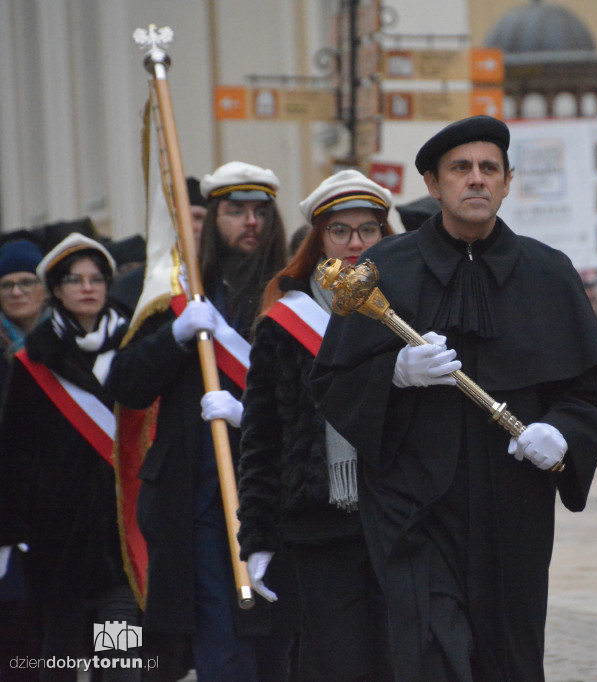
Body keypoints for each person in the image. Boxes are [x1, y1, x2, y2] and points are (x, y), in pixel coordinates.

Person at [309, 115, 597, 681]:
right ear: (433, 184)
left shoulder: (549, 274)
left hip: (513, 512)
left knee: (510, 659)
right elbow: (332, 383)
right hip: (413, 510)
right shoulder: (386, 271)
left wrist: (562, 433)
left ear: (507, 183)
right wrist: (395, 374)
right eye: (461, 169)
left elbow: (595, 394)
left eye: (488, 169)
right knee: (433, 653)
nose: (476, 180)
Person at [107, 161, 291, 681]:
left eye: (260, 212)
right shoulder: (178, 296)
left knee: (277, 647)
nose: (249, 222)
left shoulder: (292, 296)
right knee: (223, 646)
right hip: (200, 504)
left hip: (276, 495)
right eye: (235, 211)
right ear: (212, 220)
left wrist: (250, 413)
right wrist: (177, 336)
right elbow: (127, 384)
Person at [237, 170, 394, 681]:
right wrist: (256, 533)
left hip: (395, 513)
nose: (355, 243)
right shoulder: (285, 322)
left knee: (398, 658)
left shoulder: (405, 310)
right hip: (318, 522)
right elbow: (261, 437)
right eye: (340, 230)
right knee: (336, 662)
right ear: (319, 238)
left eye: (368, 229)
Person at [0, 234, 141, 681]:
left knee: (118, 663)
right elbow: (14, 454)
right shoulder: (33, 362)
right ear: (56, 290)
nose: (88, 288)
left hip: (122, 542)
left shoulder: (136, 347)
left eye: (97, 278)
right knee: (57, 661)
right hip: (56, 547)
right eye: (75, 280)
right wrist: (11, 532)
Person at [0, 239, 49, 394]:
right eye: (6, 285)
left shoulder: (66, 338)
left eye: (26, 283)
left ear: (46, 290)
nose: (16, 293)